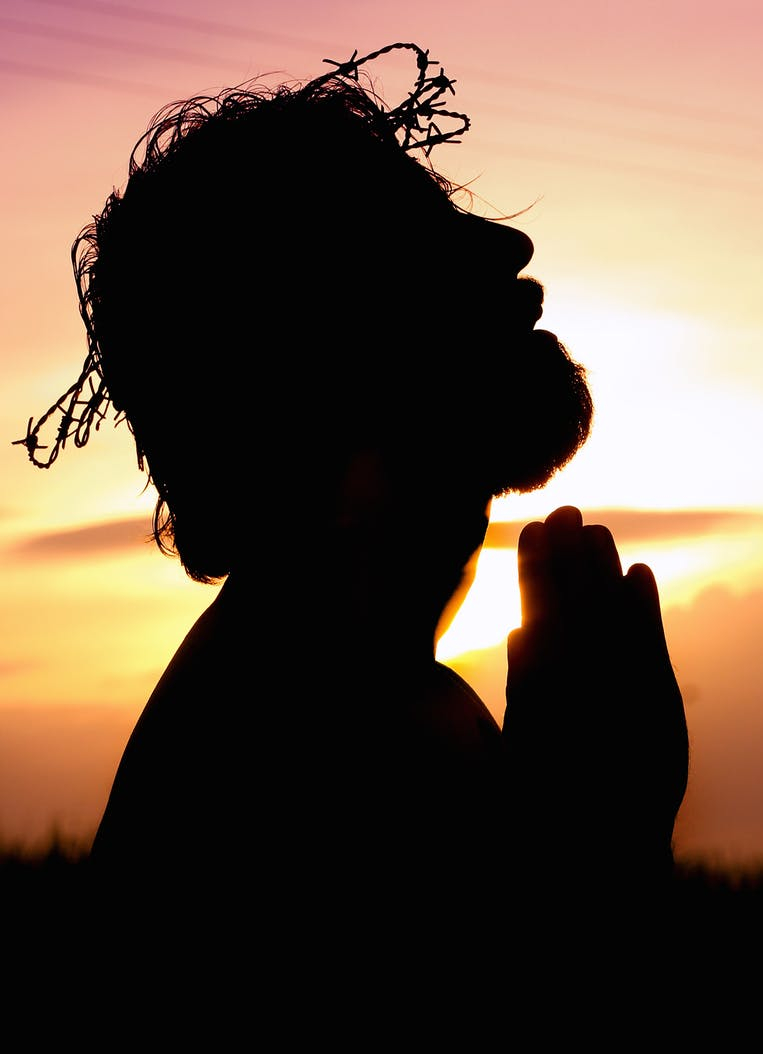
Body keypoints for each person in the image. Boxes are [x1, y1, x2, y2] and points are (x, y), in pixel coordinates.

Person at [14, 43, 687, 950]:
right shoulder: (310, 770)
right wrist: (604, 840)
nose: (506, 248)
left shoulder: (327, 702)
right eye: (414, 245)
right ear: (309, 373)